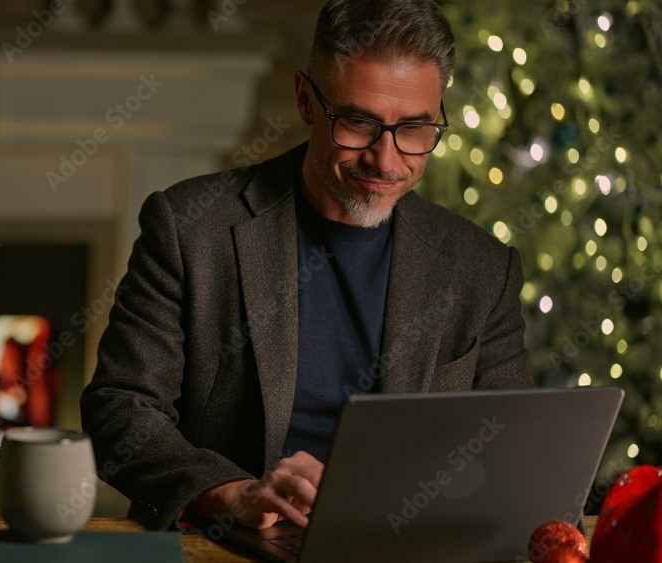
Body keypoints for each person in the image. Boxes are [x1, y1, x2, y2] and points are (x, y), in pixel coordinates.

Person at [80, 0, 534, 532]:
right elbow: (120, 406)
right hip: (235, 542)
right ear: (305, 100)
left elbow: (514, 446)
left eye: (415, 129)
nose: (386, 161)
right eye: (359, 124)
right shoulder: (189, 229)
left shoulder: (483, 269)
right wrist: (233, 496)